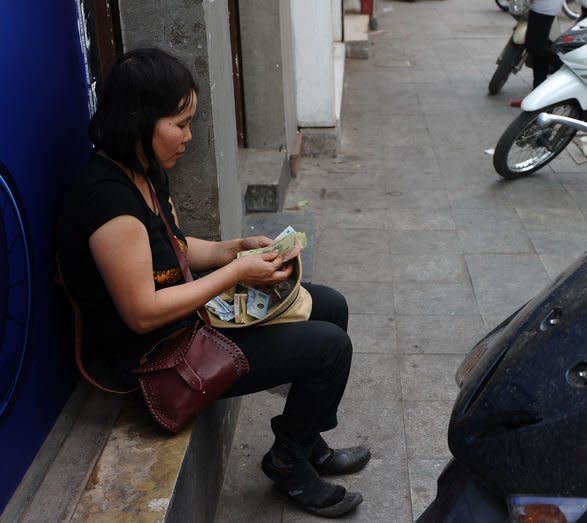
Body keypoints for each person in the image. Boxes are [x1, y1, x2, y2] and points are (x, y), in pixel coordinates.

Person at [57, 48, 368, 519]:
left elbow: (177, 248)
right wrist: (236, 274)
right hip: (155, 363)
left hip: (187, 326)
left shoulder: (142, 171)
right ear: (139, 120)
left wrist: (237, 248)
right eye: (179, 124)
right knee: (329, 346)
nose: (188, 136)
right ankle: (286, 463)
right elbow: (141, 313)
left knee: (329, 304)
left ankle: (304, 442)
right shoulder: (108, 203)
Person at [525, 0, 563, 88]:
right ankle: (537, 91)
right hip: (542, 5)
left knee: (535, 46)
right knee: (539, 51)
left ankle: (565, 65)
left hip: (544, 6)